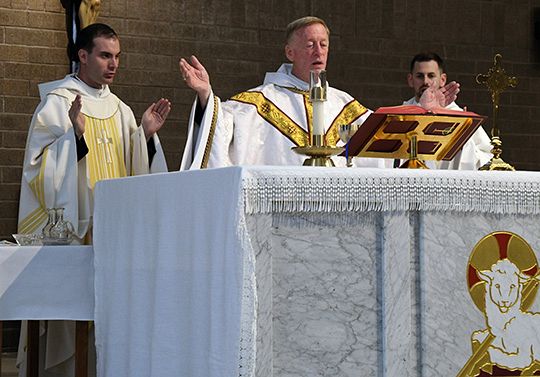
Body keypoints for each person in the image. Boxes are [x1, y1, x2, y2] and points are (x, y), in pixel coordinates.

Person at [17, 23, 170, 376]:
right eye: (105, 55)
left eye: (117, 57)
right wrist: (74, 137)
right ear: (83, 56)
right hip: (75, 232)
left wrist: (144, 135)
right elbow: (36, 169)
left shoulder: (121, 110)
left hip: (113, 237)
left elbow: (136, 174)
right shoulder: (56, 104)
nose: (113, 64)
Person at [178, 17, 460, 170]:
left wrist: (422, 111)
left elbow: (383, 137)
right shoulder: (261, 101)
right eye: (310, 44)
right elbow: (222, 126)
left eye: (323, 44)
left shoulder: (343, 103)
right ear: (290, 52)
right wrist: (206, 95)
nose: (319, 51)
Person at [404, 52, 492, 170]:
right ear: (410, 80)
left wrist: (463, 135)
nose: (425, 81)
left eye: (431, 76)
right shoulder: (400, 114)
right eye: (420, 76)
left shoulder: (459, 116)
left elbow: (485, 160)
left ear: (442, 80)